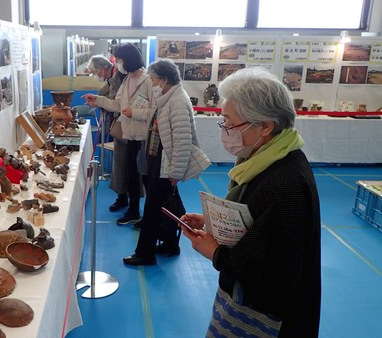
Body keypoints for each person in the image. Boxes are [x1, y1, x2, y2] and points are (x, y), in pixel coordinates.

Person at [181, 67, 321, 336]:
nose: (225, 130)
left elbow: (273, 270)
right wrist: (215, 224)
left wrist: (216, 252)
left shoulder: (284, 182)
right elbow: (258, 226)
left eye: (230, 123)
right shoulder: (266, 159)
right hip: (249, 301)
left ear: (266, 126)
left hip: (267, 315)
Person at [123, 59, 210, 266]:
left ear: (164, 79)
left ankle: (145, 253)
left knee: (153, 210)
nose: (152, 83)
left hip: (166, 166)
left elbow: (182, 141)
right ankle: (170, 243)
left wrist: (175, 172)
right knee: (166, 206)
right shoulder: (169, 97)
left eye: (153, 79)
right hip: (160, 163)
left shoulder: (178, 101)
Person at [83, 43, 154, 225]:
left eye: (119, 60)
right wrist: (97, 99)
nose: (117, 63)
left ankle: (141, 213)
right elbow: (117, 105)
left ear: (128, 60)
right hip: (128, 135)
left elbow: (154, 111)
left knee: (142, 177)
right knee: (130, 173)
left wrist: (134, 113)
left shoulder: (148, 81)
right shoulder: (127, 80)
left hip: (143, 138)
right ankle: (133, 210)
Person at [86, 54, 134, 212]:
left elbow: (116, 104)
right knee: (121, 165)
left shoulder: (119, 79)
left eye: (94, 72)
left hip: (125, 127)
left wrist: (100, 101)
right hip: (119, 125)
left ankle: (128, 203)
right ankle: (123, 198)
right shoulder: (113, 79)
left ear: (102, 69)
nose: (94, 76)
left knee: (126, 165)